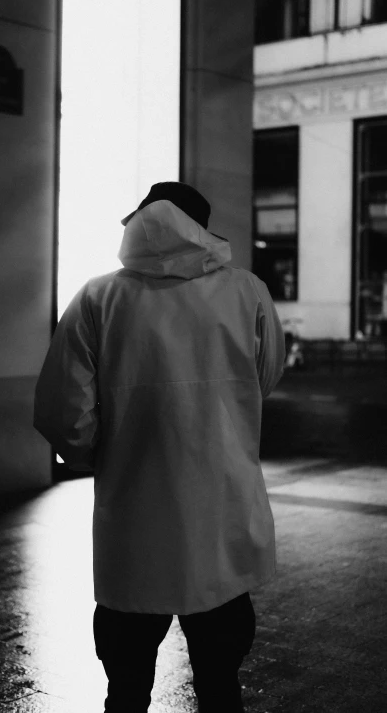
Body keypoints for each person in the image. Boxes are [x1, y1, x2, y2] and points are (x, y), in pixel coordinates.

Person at [34, 181, 285, 713]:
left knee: (126, 688)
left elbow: (63, 409)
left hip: (134, 518)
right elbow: (264, 379)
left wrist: (95, 456)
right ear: (204, 228)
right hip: (222, 512)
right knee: (220, 683)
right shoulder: (247, 291)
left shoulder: (99, 297)